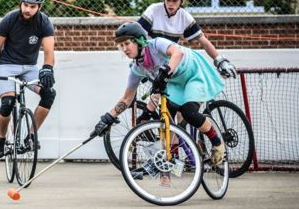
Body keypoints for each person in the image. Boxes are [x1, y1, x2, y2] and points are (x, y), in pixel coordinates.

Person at [91, 22, 226, 166]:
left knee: (189, 112)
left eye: (127, 43)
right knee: (168, 114)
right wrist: (108, 118)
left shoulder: (156, 44)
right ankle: (173, 158)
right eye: (121, 46)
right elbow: (127, 98)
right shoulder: (137, 68)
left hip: (193, 74)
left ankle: (217, 143)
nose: (124, 49)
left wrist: (166, 70)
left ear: (139, 41)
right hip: (175, 83)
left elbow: (177, 53)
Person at [0, 0, 56, 158]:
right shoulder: (10, 19)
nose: (28, 9)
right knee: (8, 103)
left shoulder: (44, 22)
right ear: (21, 3)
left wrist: (48, 69)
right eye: (26, 5)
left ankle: (30, 136)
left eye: (33, 6)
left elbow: (49, 51)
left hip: (29, 67)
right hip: (7, 64)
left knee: (49, 94)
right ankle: (0, 138)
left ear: (39, 7)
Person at [138, 0, 237, 79]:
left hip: (168, 62)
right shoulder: (153, 10)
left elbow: (204, 41)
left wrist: (220, 61)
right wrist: (140, 56)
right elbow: (137, 34)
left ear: (182, 1)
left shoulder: (185, 16)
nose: (170, 4)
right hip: (148, 58)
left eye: (175, 0)